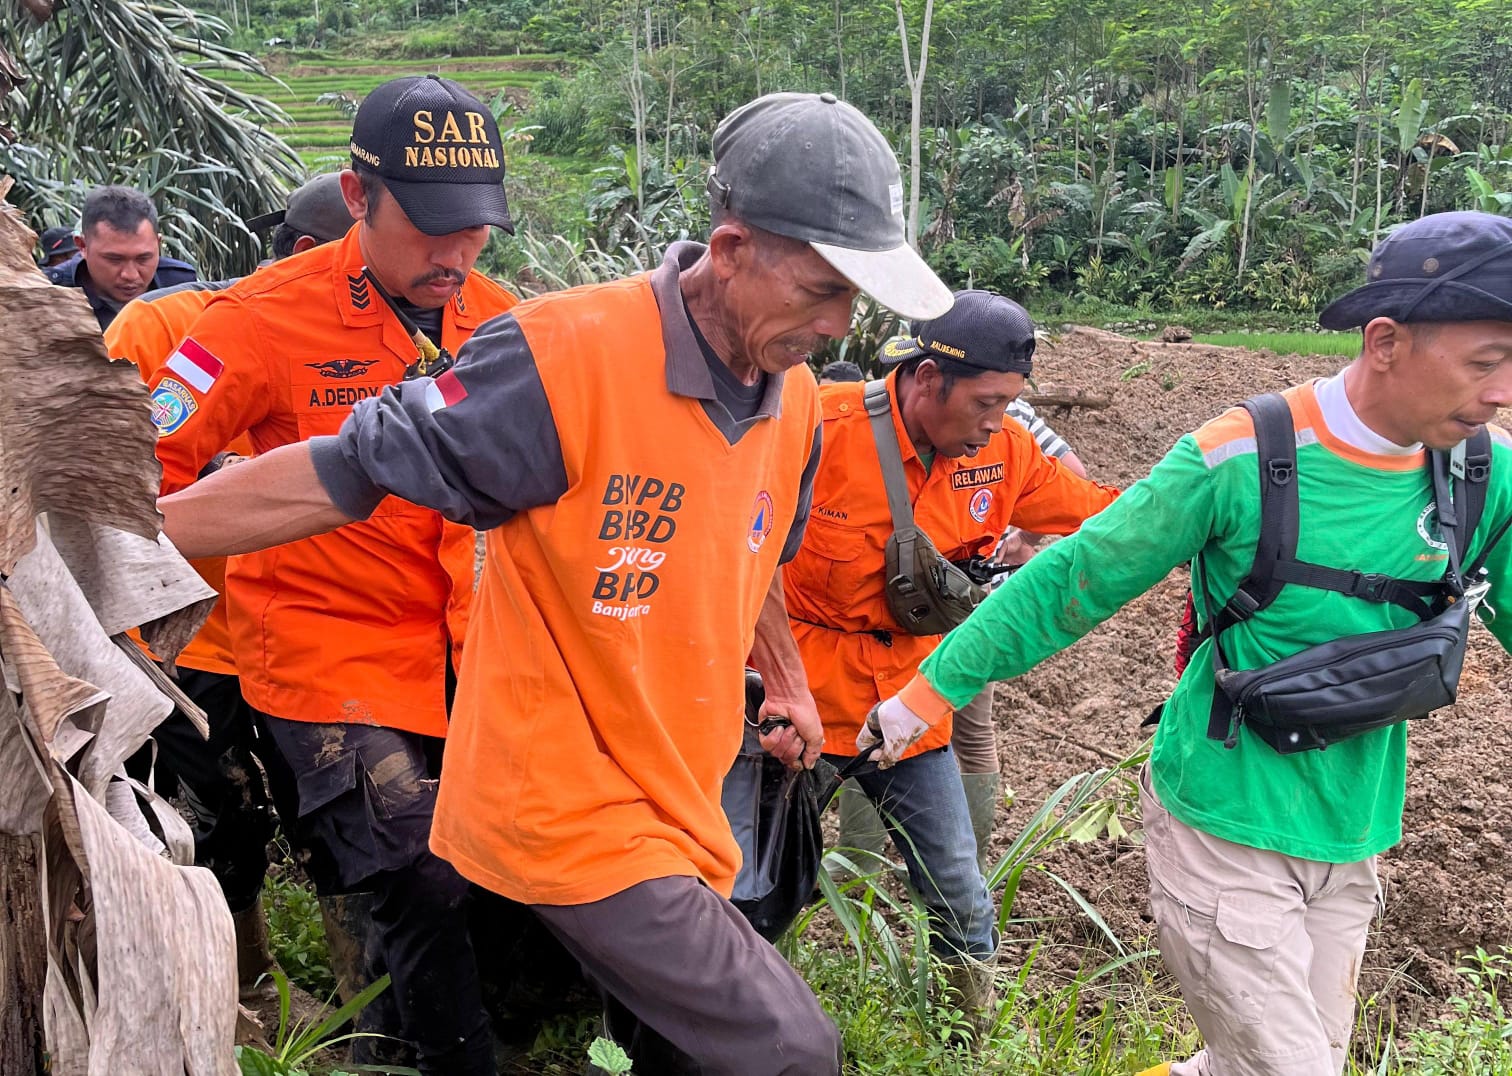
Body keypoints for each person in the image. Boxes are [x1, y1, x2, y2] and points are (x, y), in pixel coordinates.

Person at [156, 90, 954, 1075]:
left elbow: (751, 566)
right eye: (824, 289)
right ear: (733, 247)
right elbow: (331, 466)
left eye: (477, 229)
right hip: (452, 727)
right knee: (775, 1044)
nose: (840, 327)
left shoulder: (786, 404)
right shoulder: (551, 353)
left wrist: (785, 681)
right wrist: (124, 543)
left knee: (662, 1029)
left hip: (617, 752)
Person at [871, 211, 1512, 1076]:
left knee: (1269, 1061)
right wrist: (933, 687)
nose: (1502, 391)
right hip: (1222, 821)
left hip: (1353, 830)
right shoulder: (1240, 456)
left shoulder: (1484, 470)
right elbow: (1077, 577)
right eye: (1484, 363)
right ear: (1387, 340)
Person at [145, 75, 519, 1076]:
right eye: (432, 227)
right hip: (324, 652)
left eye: (477, 229)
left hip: (467, 643)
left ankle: (412, 1030)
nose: (457, 254)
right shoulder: (259, 319)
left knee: (503, 868)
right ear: (358, 197)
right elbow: (141, 474)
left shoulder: (504, 322)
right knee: (420, 866)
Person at [766, 289, 1118, 1033]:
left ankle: (966, 1036)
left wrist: (1205, 511)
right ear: (927, 380)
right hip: (792, 702)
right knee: (760, 884)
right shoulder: (817, 429)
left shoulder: (1005, 453)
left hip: (911, 705)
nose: (997, 421)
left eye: (1010, 403)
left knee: (959, 891)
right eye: (986, 402)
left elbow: (1106, 514)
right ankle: (760, 1022)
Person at [104, 172, 354, 1006]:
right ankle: (242, 985)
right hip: (190, 637)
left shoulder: (388, 343)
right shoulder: (170, 326)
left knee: (330, 817)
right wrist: (216, 475)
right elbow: (107, 462)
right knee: (228, 809)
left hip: (306, 628)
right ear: (310, 254)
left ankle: (360, 999)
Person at [45, 185, 197, 329]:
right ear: (82, 246)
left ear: (157, 244)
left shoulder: (180, 287)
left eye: (143, 259)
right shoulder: (48, 295)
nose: (130, 275)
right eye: (114, 260)